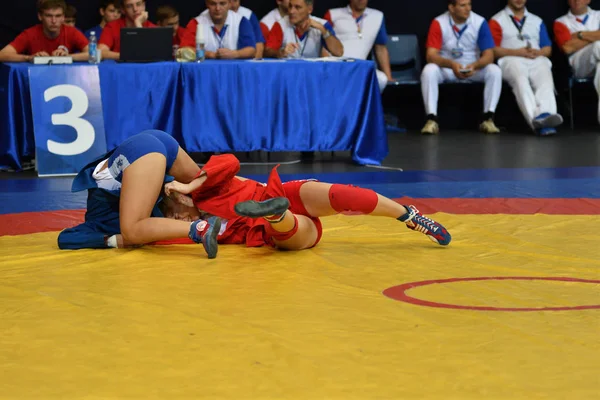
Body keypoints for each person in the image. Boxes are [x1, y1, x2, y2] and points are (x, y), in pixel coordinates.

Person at [163, 154, 452, 250]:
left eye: (175, 213)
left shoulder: (208, 190)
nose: (178, 221)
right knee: (280, 226)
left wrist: (191, 183)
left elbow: (229, 161)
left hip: (281, 192)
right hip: (276, 231)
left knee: (346, 195)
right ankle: (274, 215)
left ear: (181, 198)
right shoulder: (194, 231)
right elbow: (153, 237)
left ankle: (408, 216)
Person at [57, 130, 221, 259]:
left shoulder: (111, 218)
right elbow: (65, 238)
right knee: (134, 230)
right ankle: (200, 228)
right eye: (191, 219)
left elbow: (66, 238)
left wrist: (119, 240)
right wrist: (117, 240)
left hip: (141, 150)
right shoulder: (149, 207)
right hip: (145, 148)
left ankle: (199, 228)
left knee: (132, 231)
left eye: (190, 219)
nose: (180, 219)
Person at [421, 0, 502, 135]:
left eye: (469, 4)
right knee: (429, 70)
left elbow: (489, 55)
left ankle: (488, 119)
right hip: (448, 69)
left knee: (494, 70)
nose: (468, 9)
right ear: (451, 8)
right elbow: (431, 55)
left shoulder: (479, 22)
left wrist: (475, 66)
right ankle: (431, 119)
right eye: (463, 5)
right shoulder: (439, 22)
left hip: (473, 68)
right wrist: (451, 64)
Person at [489, 0, 562, 135]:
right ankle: (535, 121)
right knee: (521, 81)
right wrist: (517, 52)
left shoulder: (536, 20)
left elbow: (547, 48)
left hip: (535, 58)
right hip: (510, 59)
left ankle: (547, 115)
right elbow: (493, 50)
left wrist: (538, 52)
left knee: (545, 80)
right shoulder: (497, 20)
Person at [324, 0, 395, 92]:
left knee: (382, 79)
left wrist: (389, 76)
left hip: (360, 67)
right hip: (336, 66)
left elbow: (380, 48)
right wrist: (326, 70)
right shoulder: (333, 14)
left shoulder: (377, 16)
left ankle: (365, 105)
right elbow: (324, 45)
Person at [554, 0, 600, 124]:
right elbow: (567, 48)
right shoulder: (561, 22)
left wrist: (579, 35)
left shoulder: (598, 15)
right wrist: (595, 36)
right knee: (597, 45)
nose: (576, 1)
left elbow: (572, 44)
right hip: (579, 65)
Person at [0, 0, 89, 62]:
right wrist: (29, 58)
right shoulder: (30, 33)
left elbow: (94, 54)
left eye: (58, 16)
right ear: (40, 16)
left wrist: (68, 57)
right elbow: (2, 55)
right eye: (49, 16)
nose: (54, 21)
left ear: (63, 17)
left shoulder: (72, 32)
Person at [178, 0, 256, 60]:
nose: (217, 8)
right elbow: (184, 50)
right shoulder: (196, 22)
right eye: (213, 4)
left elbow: (251, 50)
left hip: (233, 70)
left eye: (222, 3)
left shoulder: (241, 21)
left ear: (229, 3)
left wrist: (235, 53)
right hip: (205, 69)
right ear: (207, 4)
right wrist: (209, 54)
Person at [264, 0, 343, 59]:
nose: (291, 11)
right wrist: (280, 52)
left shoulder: (322, 25)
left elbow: (339, 52)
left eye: (297, 7)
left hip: (312, 73)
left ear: (309, 9)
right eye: (290, 6)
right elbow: (267, 52)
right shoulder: (280, 25)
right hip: (288, 73)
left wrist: (323, 30)